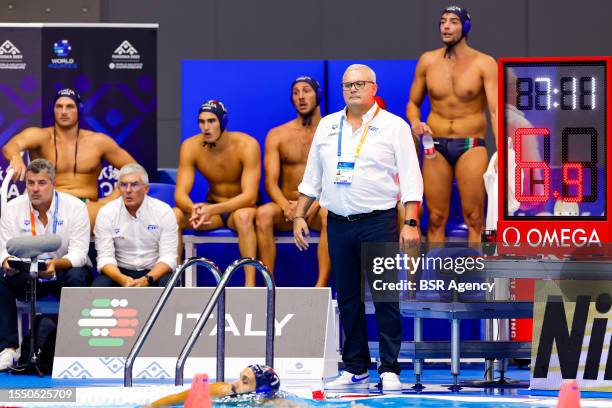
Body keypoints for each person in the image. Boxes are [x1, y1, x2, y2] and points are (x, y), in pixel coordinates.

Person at [293, 64, 422, 390]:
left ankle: (389, 368)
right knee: (348, 297)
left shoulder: (394, 127)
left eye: (359, 84)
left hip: (378, 222)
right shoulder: (327, 126)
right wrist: (299, 215)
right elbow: (312, 178)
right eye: (347, 84)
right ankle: (355, 367)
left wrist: (410, 223)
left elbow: (411, 179)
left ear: (373, 87)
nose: (353, 89)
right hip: (337, 223)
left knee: (385, 297)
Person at [406, 6, 497, 243]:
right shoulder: (428, 61)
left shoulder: (484, 63)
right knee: (435, 217)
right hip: (435, 144)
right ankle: (434, 277)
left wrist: (503, 154)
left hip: (471, 144)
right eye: (443, 21)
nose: (446, 26)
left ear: (465, 27)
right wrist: (415, 123)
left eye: (453, 21)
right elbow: (413, 104)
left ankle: (479, 278)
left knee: (475, 217)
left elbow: (496, 112)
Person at [0, 159, 91, 371]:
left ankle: (74, 345)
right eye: (30, 183)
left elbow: (79, 252)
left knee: (79, 276)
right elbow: (3, 248)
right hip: (25, 272)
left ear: (53, 183)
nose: (35, 189)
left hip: (61, 270)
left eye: (41, 183)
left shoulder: (75, 207)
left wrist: (56, 264)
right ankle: (9, 349)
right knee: (0, 279)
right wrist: (6, 262)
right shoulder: (12, 208)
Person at [2, 88, 137, 227]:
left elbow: (135, 169)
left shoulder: (98, 141)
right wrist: (16, 157)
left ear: (80, 110)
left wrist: (113, 197)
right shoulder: (41, 136)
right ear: (53, 110)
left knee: (94, 215)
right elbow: (11, 146)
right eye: (59, 107)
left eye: (70, 106)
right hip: (49, 205)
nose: (64, 111)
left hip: (87, 206)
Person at [174, 100, 261, 286]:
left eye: (212, 121)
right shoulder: (190, 147)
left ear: (223, 122)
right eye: (202, 121)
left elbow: (250, 196)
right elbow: (180, 193)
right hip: (212, 208)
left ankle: (250, 287)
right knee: (175, 215)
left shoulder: (246, 145)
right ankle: (176, 282)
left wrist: (212, 210)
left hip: (240, 208)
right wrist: (193, 208)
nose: (206, 127)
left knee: (244, 217)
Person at [255, 76, 330, 287]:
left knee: (330, 216)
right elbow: (270, 182)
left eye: (306, 90)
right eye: (296, 92)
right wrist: (286, 207)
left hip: (317, 205)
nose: (301, 97)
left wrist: (308, 208)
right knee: (262, 214)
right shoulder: (278, 134)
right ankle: (269, 285)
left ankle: (320, 286)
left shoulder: (331, 132)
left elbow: (334, 179)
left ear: (318, 95)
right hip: (286, 206)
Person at [93, 164, 178, 287]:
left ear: (146, 189)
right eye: (123, 185)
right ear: (118, 188)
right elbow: (105, 258)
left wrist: (146, 279)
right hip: (120, 271)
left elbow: (168, 257)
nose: (128, 190)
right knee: (99, 285)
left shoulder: (163, 211)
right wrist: (122, 279)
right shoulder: (106, 212)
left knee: (170, 283)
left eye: (134, 185)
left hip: (154, 271)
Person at [147, 364, 280, 406]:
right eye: (239, 378)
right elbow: (175, 399)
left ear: (261, 392)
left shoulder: (273, 403)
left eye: (245, 382)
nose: (234, 384)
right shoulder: (221, 390)